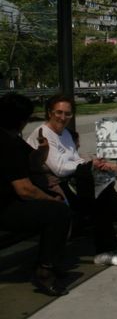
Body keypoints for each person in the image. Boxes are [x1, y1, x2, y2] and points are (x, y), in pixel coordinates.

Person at [26, 94, 117, 267]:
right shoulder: (43, 133)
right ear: (49, 112)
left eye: (67, 114)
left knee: (100, 193)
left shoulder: (65, 134)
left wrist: (93, 163)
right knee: (99, 193)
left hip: (69, 182)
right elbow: (59, 168)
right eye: (58, 112)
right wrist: (89, 164)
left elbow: (74, 160)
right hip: (52, 187)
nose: (63, 117)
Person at [0, 93, 71, 296]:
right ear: (22, 121)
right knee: (59, 212)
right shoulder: (6, 144)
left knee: (55, 205)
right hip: (3, 208)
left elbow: (32, 161)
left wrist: (42, 150)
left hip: (8, 201)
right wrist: (52, 200)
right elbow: (25, 190)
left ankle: (51, 261)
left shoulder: (10, 139)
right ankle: (45, 271)